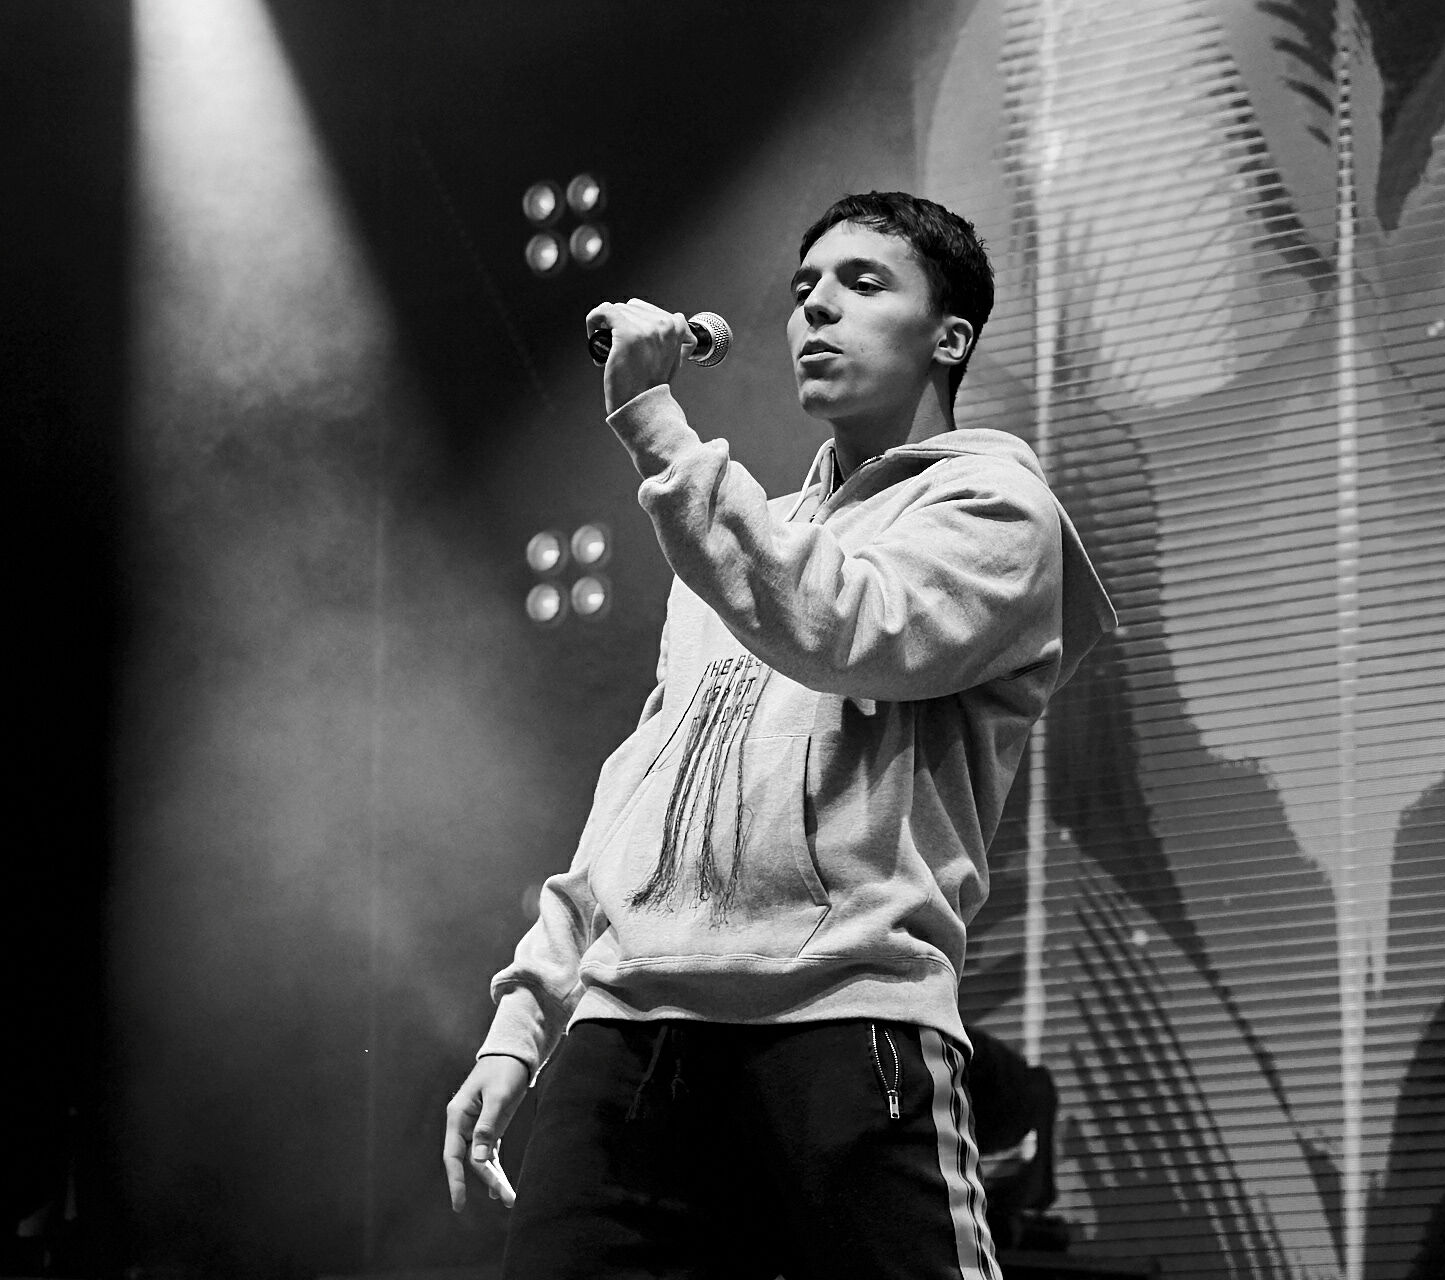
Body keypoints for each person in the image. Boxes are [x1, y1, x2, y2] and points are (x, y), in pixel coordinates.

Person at [444, 190, 1114, 1279]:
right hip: (629, 1027)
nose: (817, 310)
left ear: (949, 337)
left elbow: (842, 625)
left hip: (842, 1023)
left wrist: (653, 417)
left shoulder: (998, 512)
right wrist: (523, 1019)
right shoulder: (746, 538)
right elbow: (642, 789)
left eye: (862, 282)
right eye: (804, 290)